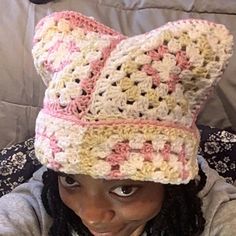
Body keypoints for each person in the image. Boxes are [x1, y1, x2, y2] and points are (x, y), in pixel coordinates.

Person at [0, 10, 236, 236]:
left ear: (170, 180)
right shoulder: (42, 198)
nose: (92, 215)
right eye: (70, 180)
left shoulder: (211, 206)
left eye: (125, 189)